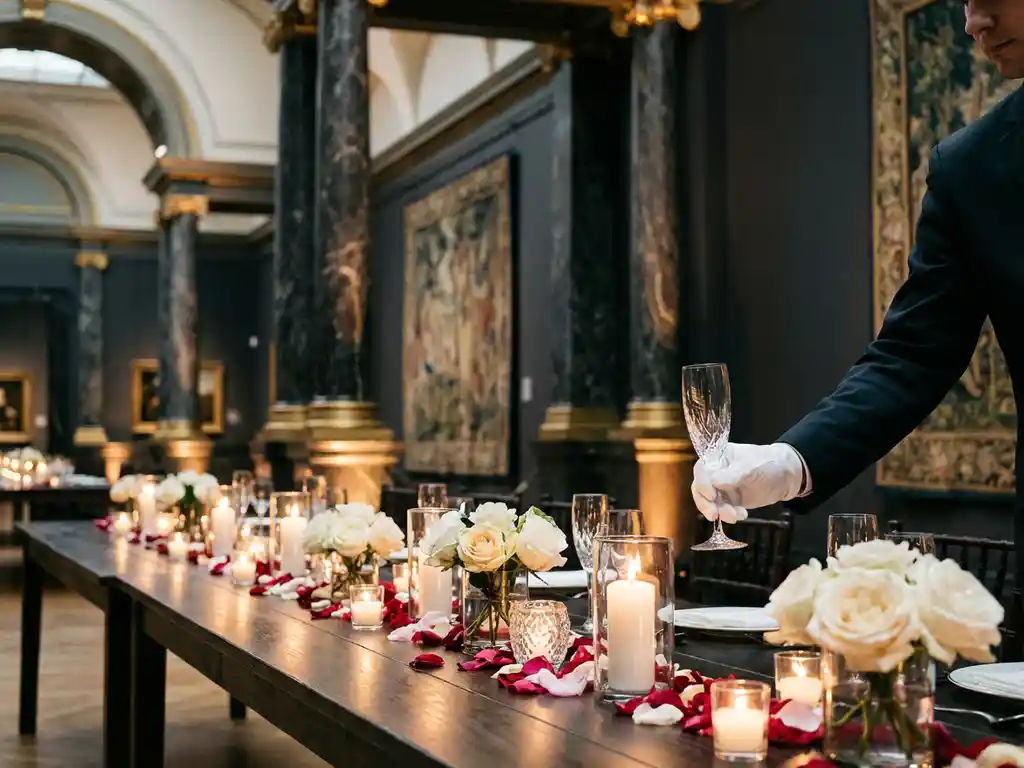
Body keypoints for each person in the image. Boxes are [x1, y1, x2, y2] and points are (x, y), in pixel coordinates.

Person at [691, 1, 1024, 578]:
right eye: (966, 3)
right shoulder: (971, 167)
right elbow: (912, 354)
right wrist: (790, 461)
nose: (972, 23)